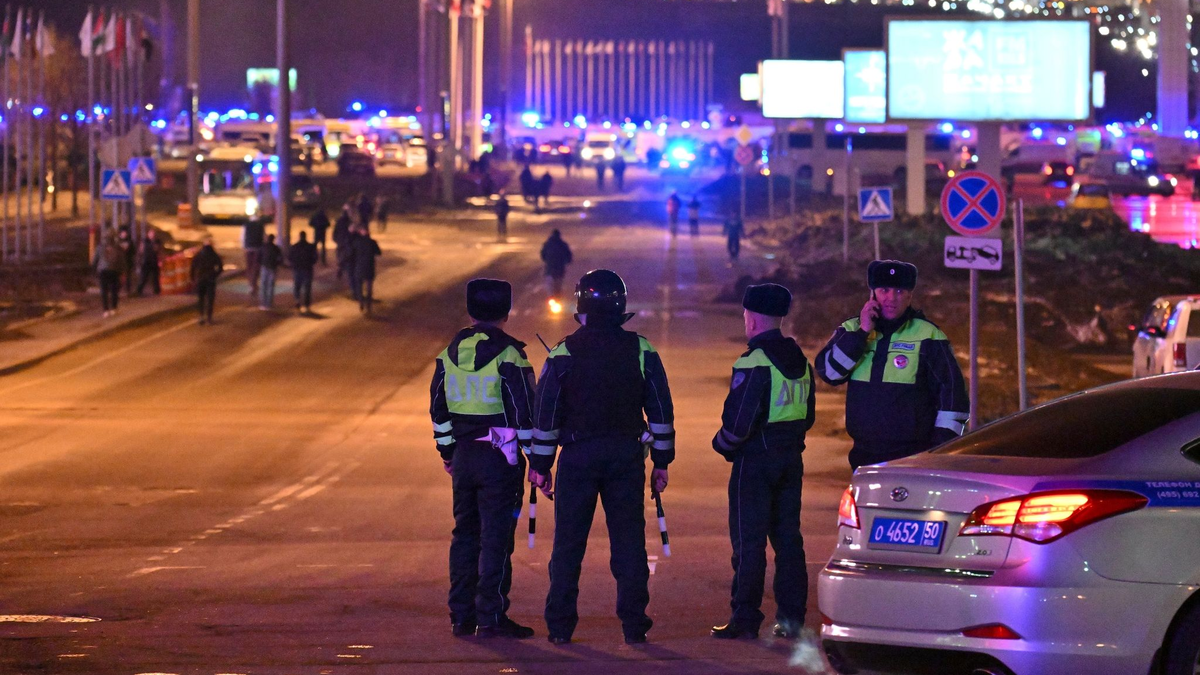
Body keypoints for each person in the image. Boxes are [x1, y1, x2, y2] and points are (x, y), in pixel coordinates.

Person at [530, 269, 675, 646]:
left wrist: (540, 467)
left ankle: (560, 628)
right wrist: (661, 461)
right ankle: (634, 627)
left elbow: (545, 417)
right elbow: (660, 410)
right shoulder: (642, 350)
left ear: (580, 308)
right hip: (626, 458)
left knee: (567, 546)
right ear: (621, 307)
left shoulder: (563, 353)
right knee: (629, 544)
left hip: (577, 457)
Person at [430, 279, 537, 640]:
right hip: (500, 457)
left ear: (470, 311)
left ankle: (460, 617)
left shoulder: (448, 354)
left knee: (464, 536)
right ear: (506, 313)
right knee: (496, 538)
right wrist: (537, 461)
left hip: (463, 456)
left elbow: (438, 410)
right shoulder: (511, 355)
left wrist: (448, 452)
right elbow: (525, 414)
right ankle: (490, 616)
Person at [710, 284, 815, 642]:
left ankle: (744, 617)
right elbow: (809, 415)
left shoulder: (753, 362)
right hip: (790, 460)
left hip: (754, 463)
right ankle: (791, 619)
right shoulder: (800, 361)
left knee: (748, 542)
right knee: (789, 541)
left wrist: (722, 446)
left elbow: (738, 422)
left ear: (752, 318)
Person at [815, 260, 970, 470]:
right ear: (873, 294)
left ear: (909, 296)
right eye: (884, 290)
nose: (891, 298)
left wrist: (938, 450)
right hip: (863, 455)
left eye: (899, 290)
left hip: (913, 457)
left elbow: (952, 396)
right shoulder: (852, 329)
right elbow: (830, 373)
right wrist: (861, 333)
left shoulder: (929, 335)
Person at [190, 235, 224, 326]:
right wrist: (215, 275)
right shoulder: (214, 254)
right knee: (210, 299)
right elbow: (220, 267)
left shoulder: (198, 254)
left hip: (200, 279)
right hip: (210, 279)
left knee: (201, 298)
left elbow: (193, 267)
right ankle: (209, 318)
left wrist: (193, 278)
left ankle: (201, 316)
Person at [349, 225, 382, 315]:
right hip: (369, 267)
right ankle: (368, 306)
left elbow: (351, 254)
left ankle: (361, 302)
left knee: (359, 286)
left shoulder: (356, 242)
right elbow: (379, 252)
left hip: (359, 267)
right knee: (369, 288)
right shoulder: (372, 242)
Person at [93, 231, 124, 318]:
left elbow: (95, 260)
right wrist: (122, 272)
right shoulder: (117, 247)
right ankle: (114, 308)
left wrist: (95, 270)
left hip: (103, 271)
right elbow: (121, 260)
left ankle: (105, 310)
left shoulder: (99, 247)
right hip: (114, 271)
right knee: (114, 290)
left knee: (104, 291)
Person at [289, 230, 318, 313]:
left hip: (297, 269)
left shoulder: (295, 247)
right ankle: (306, 305)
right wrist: (310, 263)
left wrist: (294, 264)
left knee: (297, 286)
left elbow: (290, 257)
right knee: (307, 288)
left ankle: (297, 300)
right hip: (307, 269)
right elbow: (315, 257)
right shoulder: (310, 247)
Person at [539, 229, 573, 299]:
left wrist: (548, 261)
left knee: (550, 287)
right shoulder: (563, 245)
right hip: (560, 270)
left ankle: (551, 298)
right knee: (558, 286)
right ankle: (558, 298)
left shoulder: (547, 244)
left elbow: (543, 255)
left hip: (549, 270)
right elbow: (569, 256)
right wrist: (566, 262)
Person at [242, 217, 266, 301]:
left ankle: (251, 285)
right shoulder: (261, 225)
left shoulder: (246, 225)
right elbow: (264, 237)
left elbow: (242, 236)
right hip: (257, 248)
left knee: (249, 267)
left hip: (248, 248)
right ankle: (254, 284)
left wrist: (244, 247)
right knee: (256, 267)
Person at [135, 229, 162, 296]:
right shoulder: (144, 242)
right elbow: (140, 251)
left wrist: (160, 260)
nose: (152, 235)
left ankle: (157, 291)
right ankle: (139, 290)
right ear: (148, 234)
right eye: (151, 233)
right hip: (146, 261)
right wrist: (139, 261)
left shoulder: (157, 242)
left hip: (154, 261)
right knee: (143, 277)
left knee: (155, 277)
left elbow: (160, 251)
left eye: (153, 233)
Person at [259, 233, 283, 311]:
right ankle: (269, 303)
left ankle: (263, 303)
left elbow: (258, 258)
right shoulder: (276, 248)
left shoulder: (263, 247)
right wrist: (276, 264)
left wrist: (262, 263)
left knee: (264, 286)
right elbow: (280, 259)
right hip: (272, 268)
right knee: (270, 286)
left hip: (264, 267)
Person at [334, 205, 354, 281]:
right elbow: (352, 231)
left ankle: (340, 268)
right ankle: (344, 269)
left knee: (340, 255)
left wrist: (336, 239)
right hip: (347, 241)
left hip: (340, 241)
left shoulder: (339, 221)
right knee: (347, 255)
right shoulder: (349, 221)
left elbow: (335, 232)